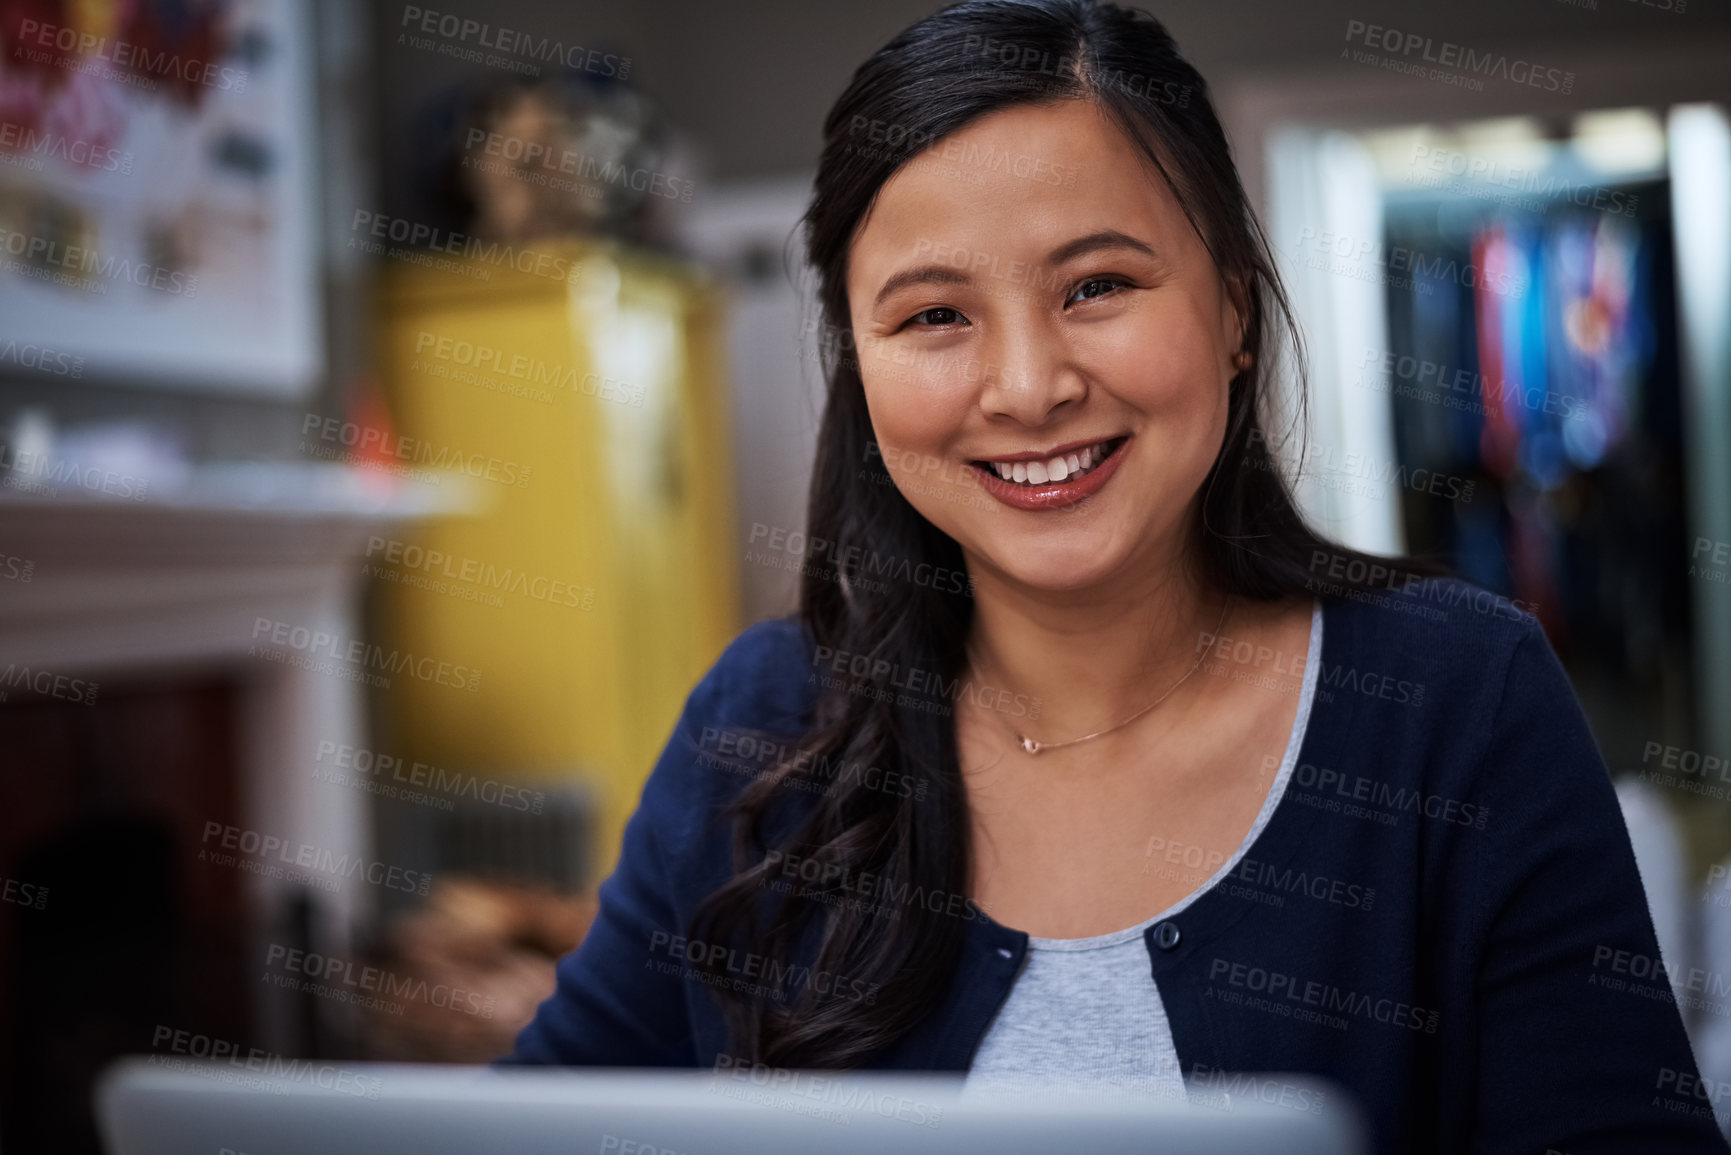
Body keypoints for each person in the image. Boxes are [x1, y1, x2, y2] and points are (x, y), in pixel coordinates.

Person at [503, 1, 1727, 1150]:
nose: (1029, 386)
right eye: (934, 315)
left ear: (1235, 311)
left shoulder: (1461, 700)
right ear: (859, 367)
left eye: (1098, 286)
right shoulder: (757, 725)